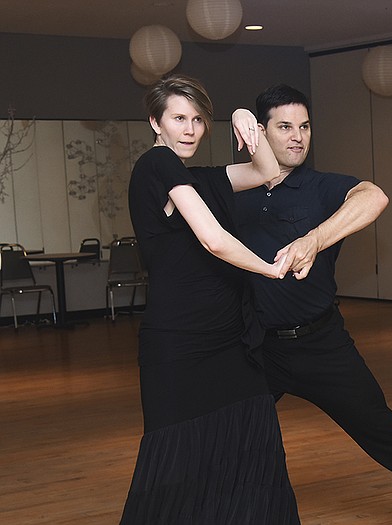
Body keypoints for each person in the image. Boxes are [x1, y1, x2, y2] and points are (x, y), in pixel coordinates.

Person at [233, 84, 392, 525]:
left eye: (304, 127)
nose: (297, 136)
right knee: (233, 434)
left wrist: (314, 239)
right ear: (261, 132)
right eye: (284, 127)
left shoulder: (321, 186)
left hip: (321, 344)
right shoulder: (236, 189)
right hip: (258, 348)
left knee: (380, 429)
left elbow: (374, 197)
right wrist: (235, 113)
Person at [120, 74, 299, 524]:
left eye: (199, 120)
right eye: (179, 118)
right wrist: (271, 268)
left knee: (250, 449)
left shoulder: (196, 178)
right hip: (181, 343)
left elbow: (266, 171)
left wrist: (244, 118)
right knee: (177, 465)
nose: (191, 129)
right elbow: (214, 240)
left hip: (228, 340)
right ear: (155, 123)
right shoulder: (157, 164)